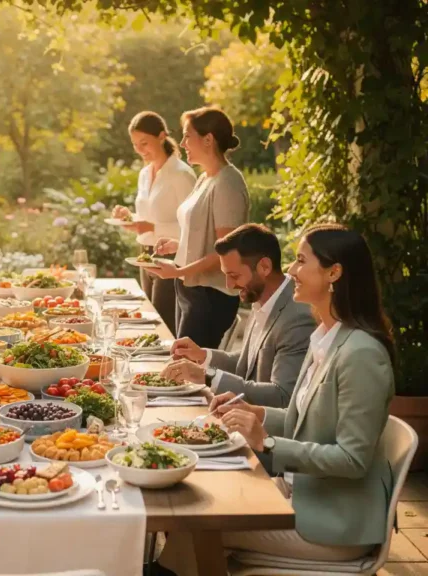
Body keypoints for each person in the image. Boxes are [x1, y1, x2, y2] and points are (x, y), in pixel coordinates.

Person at [157, 224, 396, 573]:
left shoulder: (361, 354)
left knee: (194, 525)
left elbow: (352, 459)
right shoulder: (327, 336)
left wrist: (265, 441)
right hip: (301, 494)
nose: (293, 270)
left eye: (301, 260)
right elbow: (305, 422)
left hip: (333, 525)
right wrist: (256, 413)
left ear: (334, 273)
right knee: (191, 513)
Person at [161, 224, 315, 407]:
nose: (229, 285)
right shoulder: (262, 296)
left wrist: (208, 376)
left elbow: (282, 396)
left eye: (234, 275)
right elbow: (247, 365)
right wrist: (203, 355)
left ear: (264, 267)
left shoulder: (297, 317)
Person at [147, 106, 249, 348]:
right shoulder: (206, 178)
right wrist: (179, 246)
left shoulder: (228, 183)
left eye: (186, 136)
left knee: (187, 371)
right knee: (180, 363)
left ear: (208, 139)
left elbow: (226, 252)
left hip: (210, 296)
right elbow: (205, 239)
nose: (181, 143)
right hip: (191, 289)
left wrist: (177, 271)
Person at [110, 111, 196, 332]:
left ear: (162, 136)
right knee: (149, 319)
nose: (140, 150)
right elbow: (148, 217)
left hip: (171, 257)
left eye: (144, 143)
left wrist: (151, 227)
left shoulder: (181, 174)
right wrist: (129, 219)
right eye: (135, 144)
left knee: (162, 325)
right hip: (145, 253)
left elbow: (193, 226)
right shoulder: (145, 174)